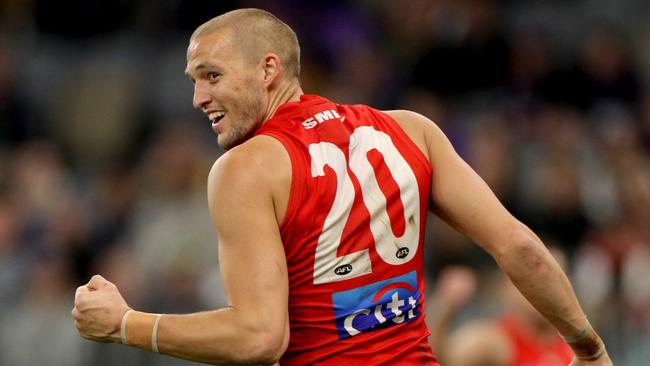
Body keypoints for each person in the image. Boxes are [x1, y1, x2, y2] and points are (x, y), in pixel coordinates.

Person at [71, 8, 613, 365]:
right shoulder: (411, 130)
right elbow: (520, 248)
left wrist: (128, 324)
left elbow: (260, 337)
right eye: (194, 82)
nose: (198, 100)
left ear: (268, 69)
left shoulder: (248, 168)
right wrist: (588, 350)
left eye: (212, 77)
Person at [426, 249, 576, 366]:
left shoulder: (575, 348)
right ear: (508, 286)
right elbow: (440, 357)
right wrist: (445, 304)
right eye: (536, 280)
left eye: (555, 280)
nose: (546, 290)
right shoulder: (494, 342)